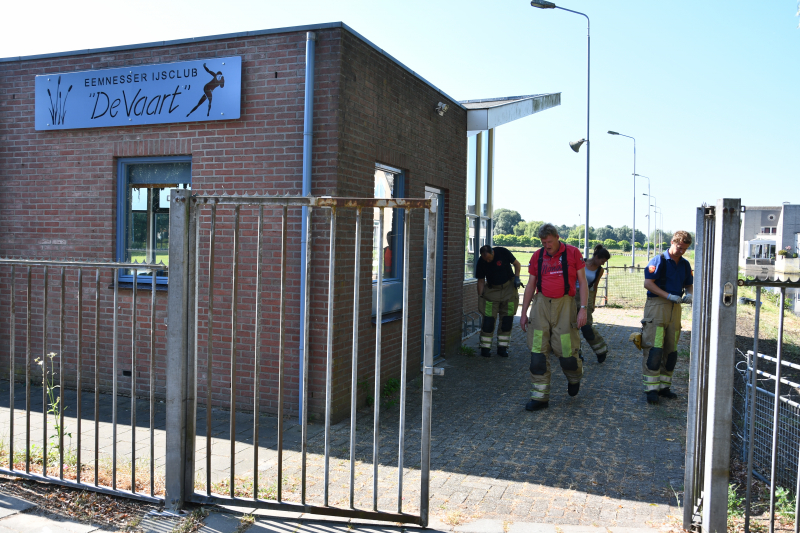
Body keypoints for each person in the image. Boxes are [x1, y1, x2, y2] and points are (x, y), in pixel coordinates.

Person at [520, 224, 588, 411]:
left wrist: (583, 309)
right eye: (543, 242)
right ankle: (540, 397)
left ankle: (574, 377)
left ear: (557, 237)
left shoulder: (573, 253)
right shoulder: (538, 256)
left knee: (567, 353)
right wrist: (524, 313)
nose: (547, 245)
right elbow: (531, 284)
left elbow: (583, 282)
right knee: (537, 353)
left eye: (549, 241)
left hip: (565, 305)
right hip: (541, 304)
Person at [639, 230, 694, 405]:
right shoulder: (658, 261)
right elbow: (648, 283)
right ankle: (651, 390)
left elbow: (689, 285)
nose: (681, 251)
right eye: (679, 247)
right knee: (654, 349)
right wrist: (668, 295)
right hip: (657, 307)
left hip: (675, 308)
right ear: (672, 242)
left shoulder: (685, 264)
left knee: (671, 351)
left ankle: (664, 387)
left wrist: (691, 295)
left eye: (684, 249)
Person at [476, 245, 523, 357]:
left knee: (507, 320)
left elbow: (517, 264)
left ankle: (502, 348)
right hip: (492, 291)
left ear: (493, 252)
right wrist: (480, 296)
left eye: (489, 258)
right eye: (485, 259)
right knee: (488, 320)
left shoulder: (503, 252)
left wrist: (517, 278)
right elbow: (481, 281)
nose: (487, 261)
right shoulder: (481, 262)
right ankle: (485, 348)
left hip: (508, 290)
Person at [575, 244, 611, 363]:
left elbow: (594, 287)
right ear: (596, 256)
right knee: (571, 326)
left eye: (604, 262)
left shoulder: (600, 270)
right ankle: (576, 354)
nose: (602, 263)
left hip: (587, 297)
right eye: (602, 260)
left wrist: (593, 303)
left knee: (586, 327)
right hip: (572, 295)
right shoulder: (581, 262)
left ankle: (601, 350)